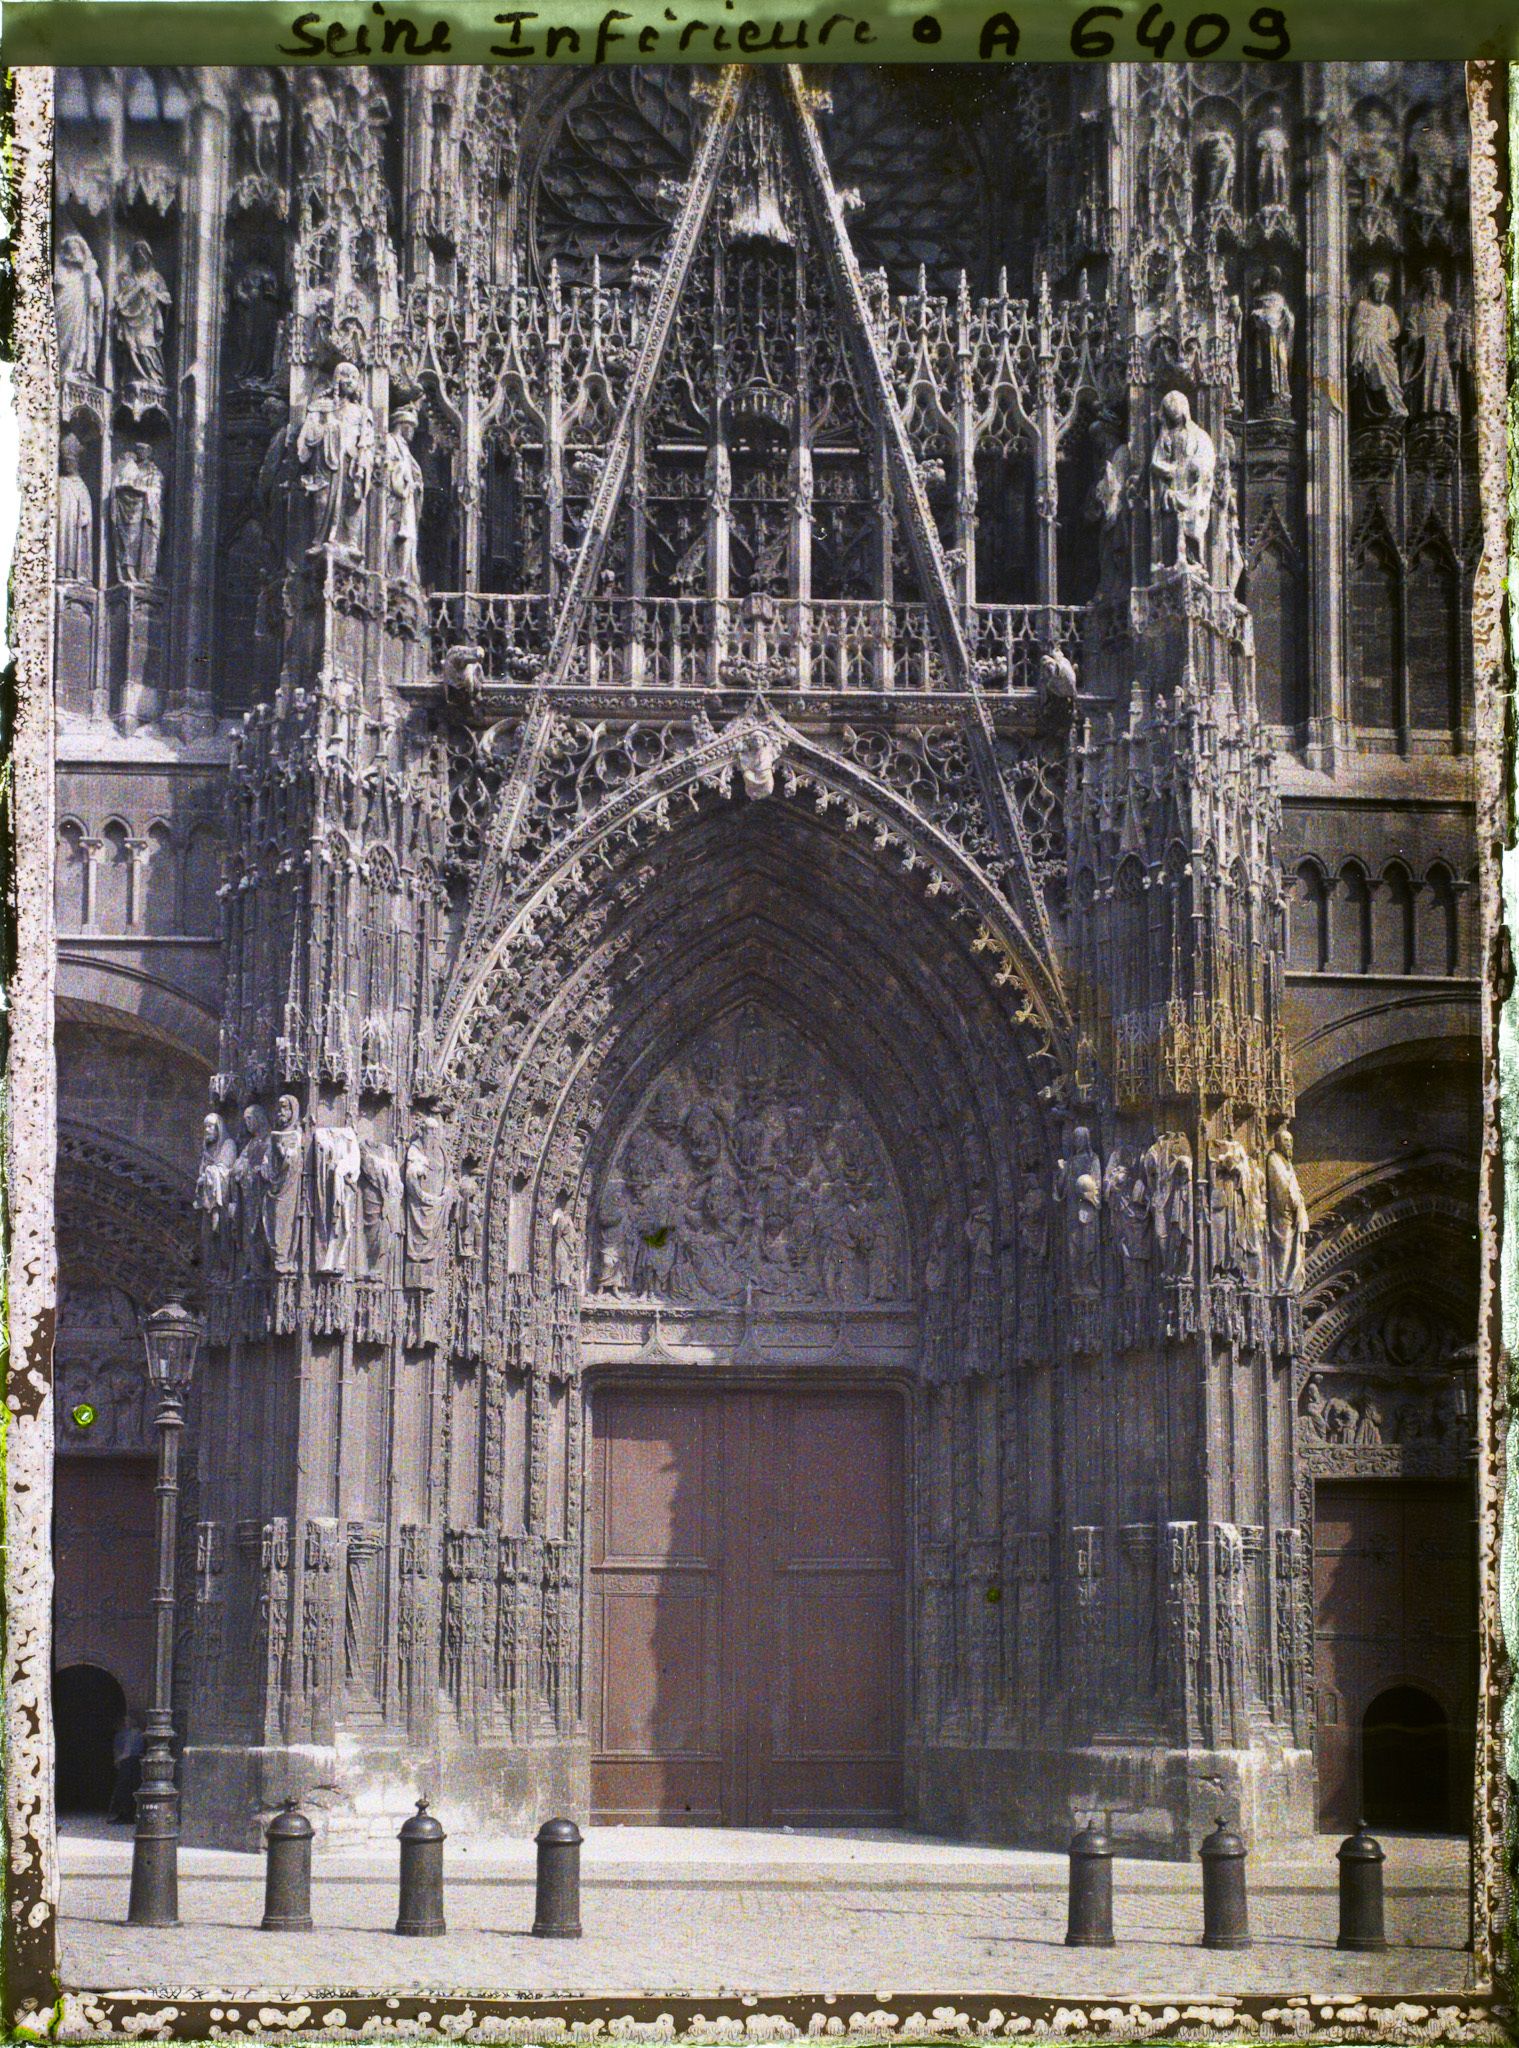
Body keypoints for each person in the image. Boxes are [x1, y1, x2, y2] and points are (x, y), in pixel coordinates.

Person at [108, 1712, 144, 1822]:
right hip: (134, 1763)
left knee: (125, 1789)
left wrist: (117, 1761)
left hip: (130, 1763)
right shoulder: (132, 1732)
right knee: (131, 1789)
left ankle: (126, 1815)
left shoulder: (133, 1733)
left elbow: (127, 1752)